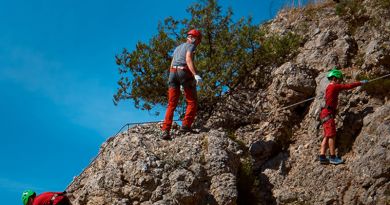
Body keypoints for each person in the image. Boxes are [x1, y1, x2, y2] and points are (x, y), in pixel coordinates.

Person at [161, 29, 203, 140]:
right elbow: (188, 58)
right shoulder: (190, 46)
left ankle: (165, 130)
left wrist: (175, 80)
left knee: (171, 104)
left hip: (172, 73)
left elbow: (172, 62)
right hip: (183, 72)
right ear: (194, 38)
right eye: (198, 40)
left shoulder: (178, 47)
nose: (198, 43)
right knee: (192, 101)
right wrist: (195, 75)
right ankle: (186, 126)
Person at [319, 69, 368, 165]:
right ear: (334, 78)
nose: (340, 82)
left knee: (327, 135)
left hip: (325, 113)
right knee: (332, 135)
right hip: (328, 113)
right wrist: (360, 83)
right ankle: (332, 157)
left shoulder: (329, 87)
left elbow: (330, 100)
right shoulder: (334, 86)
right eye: (339, 80)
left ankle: (322, 157)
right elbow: (347, 86)